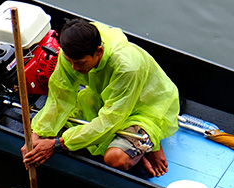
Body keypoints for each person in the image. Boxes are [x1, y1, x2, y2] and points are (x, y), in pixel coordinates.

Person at [22, 18, 179, 177]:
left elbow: (110, 119)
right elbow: (60, 96)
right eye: (70, 62)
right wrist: (36, 134)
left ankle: (148, 142)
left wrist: (57, 145)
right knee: (48, 131)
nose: (74, 68)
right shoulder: (72, 52)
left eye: (80, 63)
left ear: (99, 51)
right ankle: (135, 146)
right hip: (107, 100)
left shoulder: (127, 67)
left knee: (116, 159)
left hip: (144, 107)